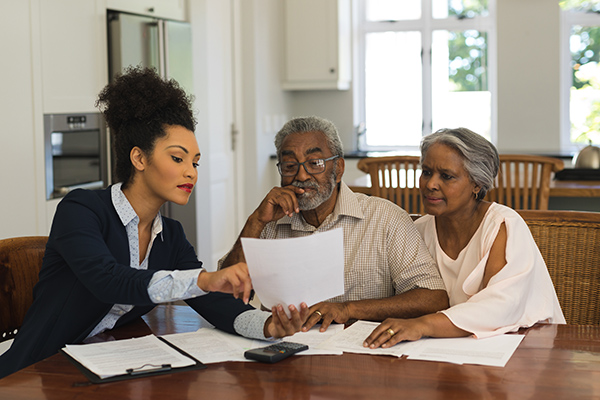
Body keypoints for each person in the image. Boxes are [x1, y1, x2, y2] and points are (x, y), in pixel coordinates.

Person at [0, 67, 306, 379]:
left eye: (195, 162)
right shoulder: (81, 210)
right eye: (178, 158)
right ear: (139, 159)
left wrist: (269, 326)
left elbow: (212, 302)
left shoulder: (170, 236)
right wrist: (203, 279)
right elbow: (109, 280)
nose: (192, 172)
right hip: (35, 375)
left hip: (101, 373)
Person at [219, 116, 449, 332]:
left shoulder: (384, 218)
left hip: (361, 353)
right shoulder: (269, 224)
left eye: (315, 163)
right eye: (290, 165)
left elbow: (433, 297)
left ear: (338, 168)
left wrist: (348, 309)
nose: (301, 175)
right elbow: (223, 296)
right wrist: (255, 221)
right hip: (284, 348)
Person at [364, 128, 565, 349]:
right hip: (449, 348)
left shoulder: (502, 226)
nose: (430, 184)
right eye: (426, 172)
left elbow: (499, 307)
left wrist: (423, 325)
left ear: (477, 184)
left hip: (525, 346)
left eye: (446, 176)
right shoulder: (418, 230)